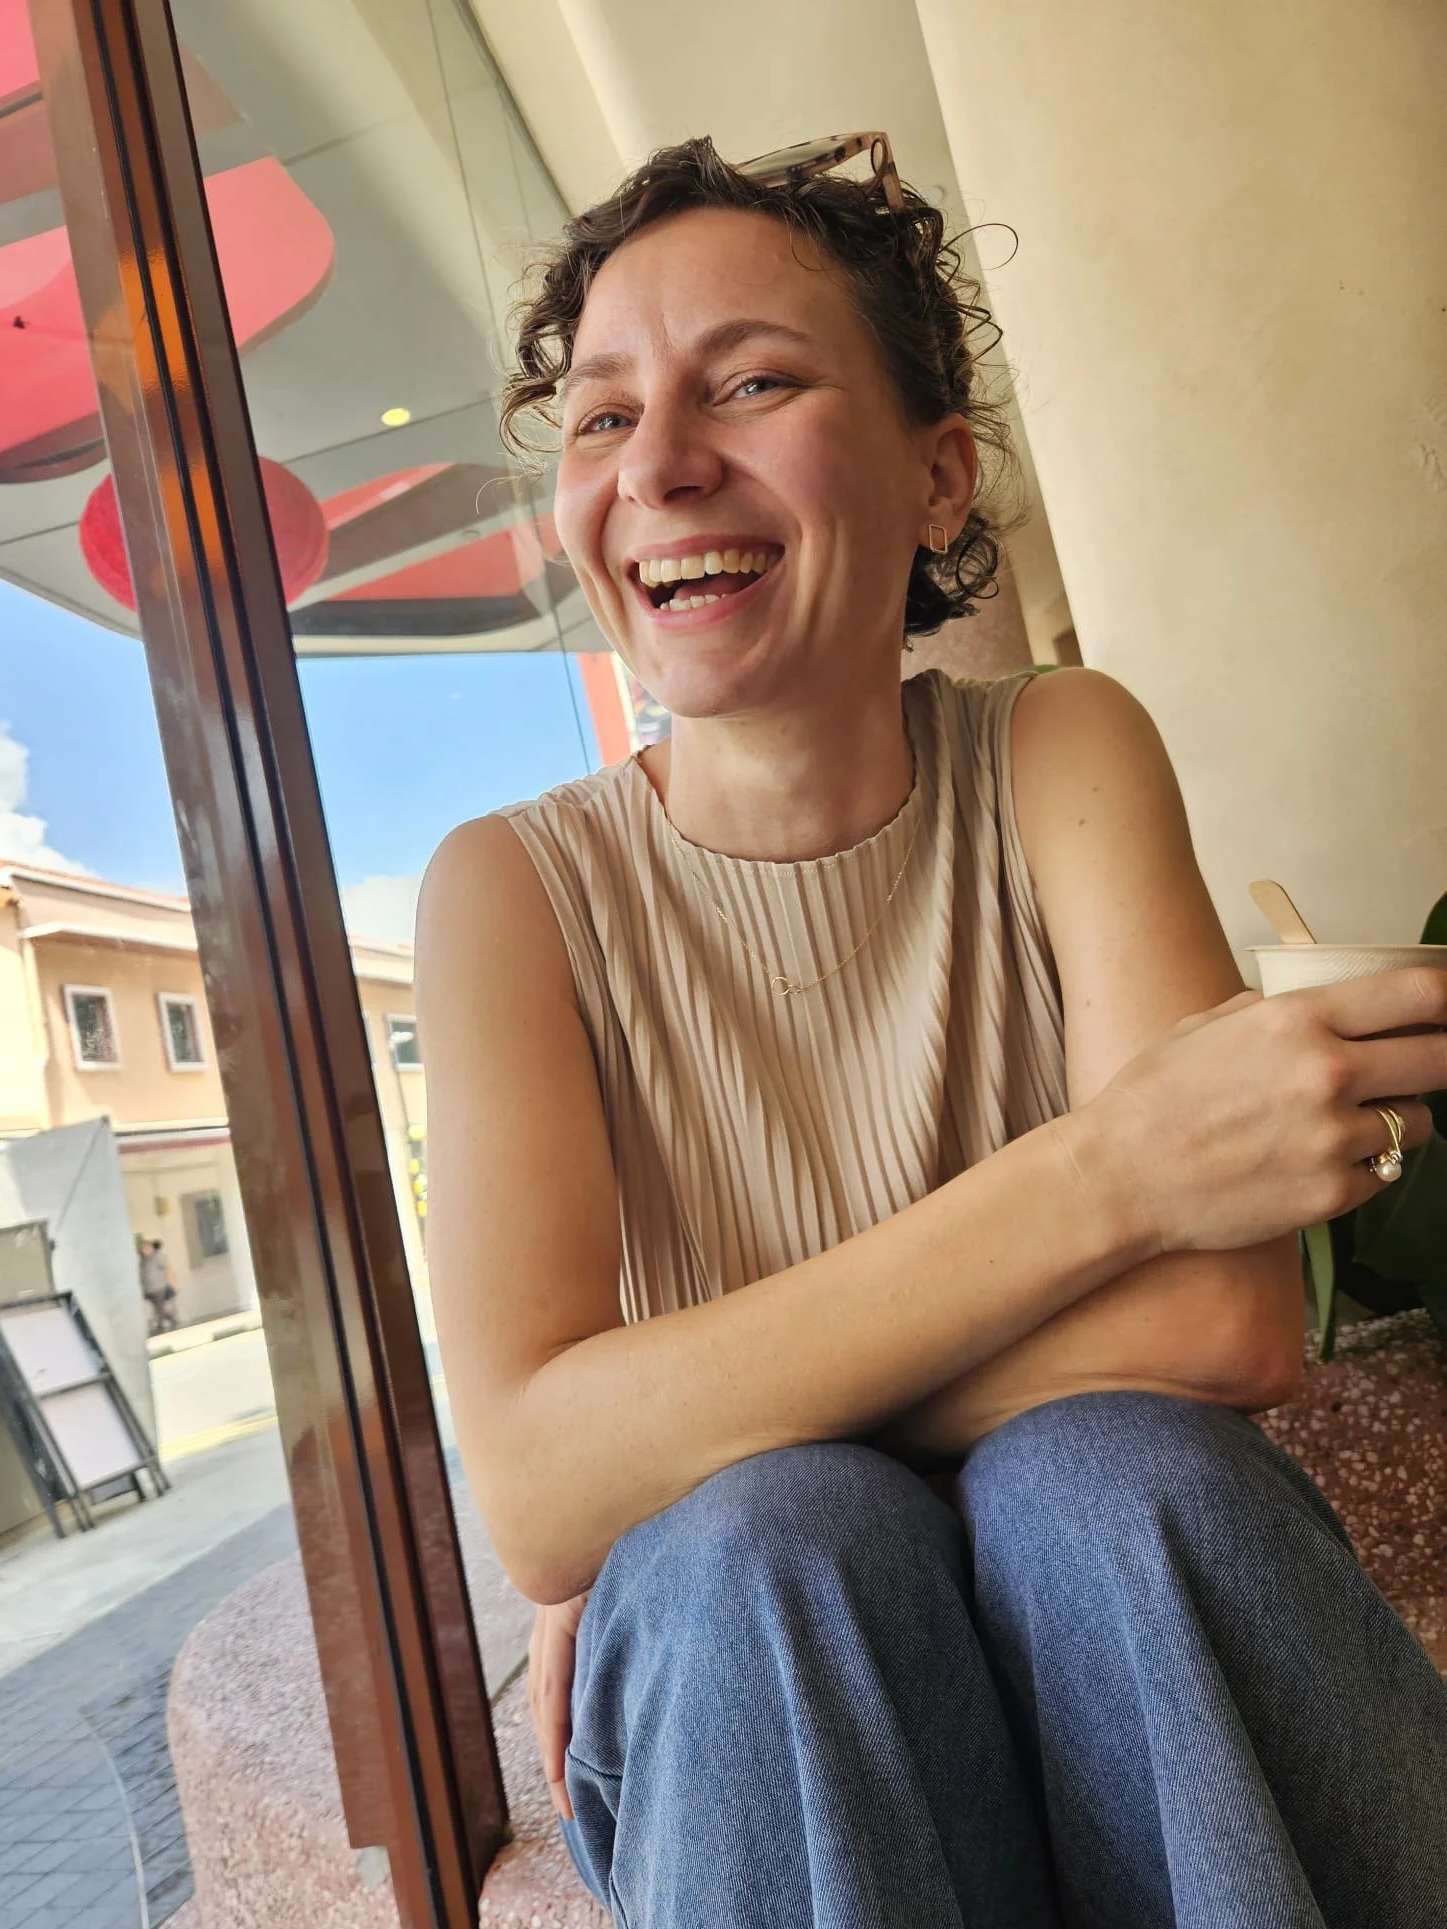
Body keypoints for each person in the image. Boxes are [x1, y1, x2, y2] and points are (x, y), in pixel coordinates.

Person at [415, 134, 1447, 1928]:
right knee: (770, 1549)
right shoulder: (508, 892)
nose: (658, 463)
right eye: (599, 415)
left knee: (1110, 1481)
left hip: (1113, 1602)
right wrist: (1113, 1169)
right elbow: (533, 1486)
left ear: (937, 476)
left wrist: (670, 1421)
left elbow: (1220, 1320)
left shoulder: (1058, 750)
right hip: (755, 1662)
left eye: (750, 380)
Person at [138, 1237, 178, 1334]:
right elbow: (142, 1275)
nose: (145, 1250)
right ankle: (172, 1319)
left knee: (159, 1308)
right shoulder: (143, 1261)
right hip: (148, 1290)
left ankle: (160, 1327)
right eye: (143, 1249)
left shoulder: (157, 1257)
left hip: (159, 1287)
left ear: (151, 1248)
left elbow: (167, 1269)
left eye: (147, 1248)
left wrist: (172, 1282)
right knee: (158, 1308)